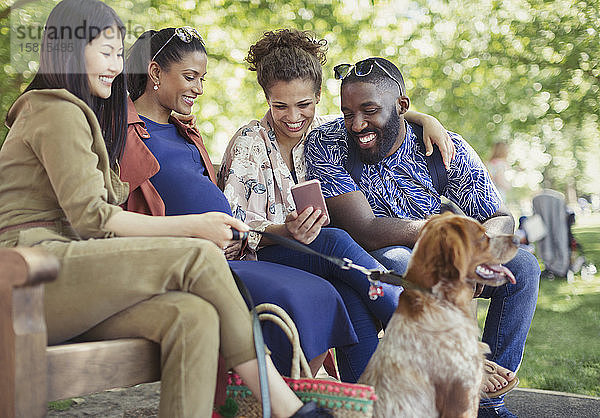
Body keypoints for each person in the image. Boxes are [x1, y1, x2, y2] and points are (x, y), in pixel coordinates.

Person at [0, 1, 330, 416]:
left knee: (192, 317)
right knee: (197, 255)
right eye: (105, 53)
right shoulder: (56, 109)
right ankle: (283, 405)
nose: (116, 66)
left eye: (119, 54)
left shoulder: (85, 115)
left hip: (66, 274)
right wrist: (197, 227)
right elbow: (94, 219)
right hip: (29, 273)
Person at [304, 57, 540, 418]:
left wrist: (480, 254)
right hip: (382, 259)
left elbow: (499, 217)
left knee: (523, 267)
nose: (357, 124)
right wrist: (448, 244)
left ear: (402, 107)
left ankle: (488, 401)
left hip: (446, 257)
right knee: (402, 261)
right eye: (348, 112)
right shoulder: (328, 143)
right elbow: (363, 231)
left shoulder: (444, 148)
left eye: (369, 110)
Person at [218, 29, 455, 382]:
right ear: (266, 99)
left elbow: (385, 114)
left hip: (324, 259)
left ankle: (366, 398)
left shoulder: (331, 133)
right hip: (266, 255)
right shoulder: (249, 143)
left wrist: (425, 120)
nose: (293, 117)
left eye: (304, 105)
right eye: (280, 106)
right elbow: (231, 230)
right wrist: (285, 231)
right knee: (335, 241)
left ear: (318, 97)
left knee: (350, 293)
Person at [122, 27, 358, 379]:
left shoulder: (182, 130)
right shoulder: (123, 131)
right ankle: (285, 403)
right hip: (194, 260)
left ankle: (289, 400)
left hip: (230, 250)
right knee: (307, 293)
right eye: (190, 77)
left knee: (322, 294)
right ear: (155, 72)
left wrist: (419, 117)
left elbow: (368, 116)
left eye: (201, 78)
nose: (199, 89)